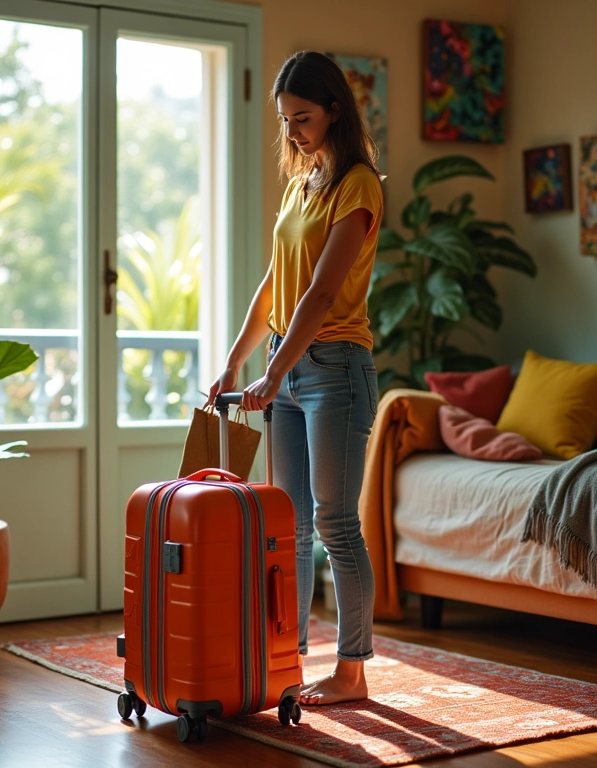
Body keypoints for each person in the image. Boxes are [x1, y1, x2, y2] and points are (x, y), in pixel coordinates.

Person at [206, 50, 383, 706]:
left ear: (334, 110)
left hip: (334, 368)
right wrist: (235, 362)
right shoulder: (300, 182)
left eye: (302, 118)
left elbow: (318, 292)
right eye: (284, 120)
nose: (292, 132)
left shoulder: (359, 185)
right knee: (290, 526)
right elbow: (275, 285)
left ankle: (352, 672)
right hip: (287, 361)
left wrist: (273, 374)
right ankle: (287, 656)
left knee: (336, 523)